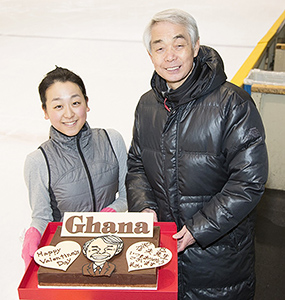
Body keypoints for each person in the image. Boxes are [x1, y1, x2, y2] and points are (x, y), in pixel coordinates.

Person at [126, 9, 268, 300]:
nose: (170, 56)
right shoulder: (146, 106)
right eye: (159, 47)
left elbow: (249, 181)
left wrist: (197, 229)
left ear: (196, 47)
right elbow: (137, 164)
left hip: (218, 260)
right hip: (162, 256)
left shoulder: (232, 104)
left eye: (179, 45)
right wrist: (145, 209)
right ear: (150, 55)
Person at [22, 67, 128, 269]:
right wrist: (34, 232)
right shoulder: (38, 161)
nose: (69, 114)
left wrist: (112, 211)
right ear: (45, 111)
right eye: (58, 106)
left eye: (76, 103)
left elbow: (127, 193)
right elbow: (42, 217)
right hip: (68, 256)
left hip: (111, 247)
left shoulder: (111, 140)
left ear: (87, 104)